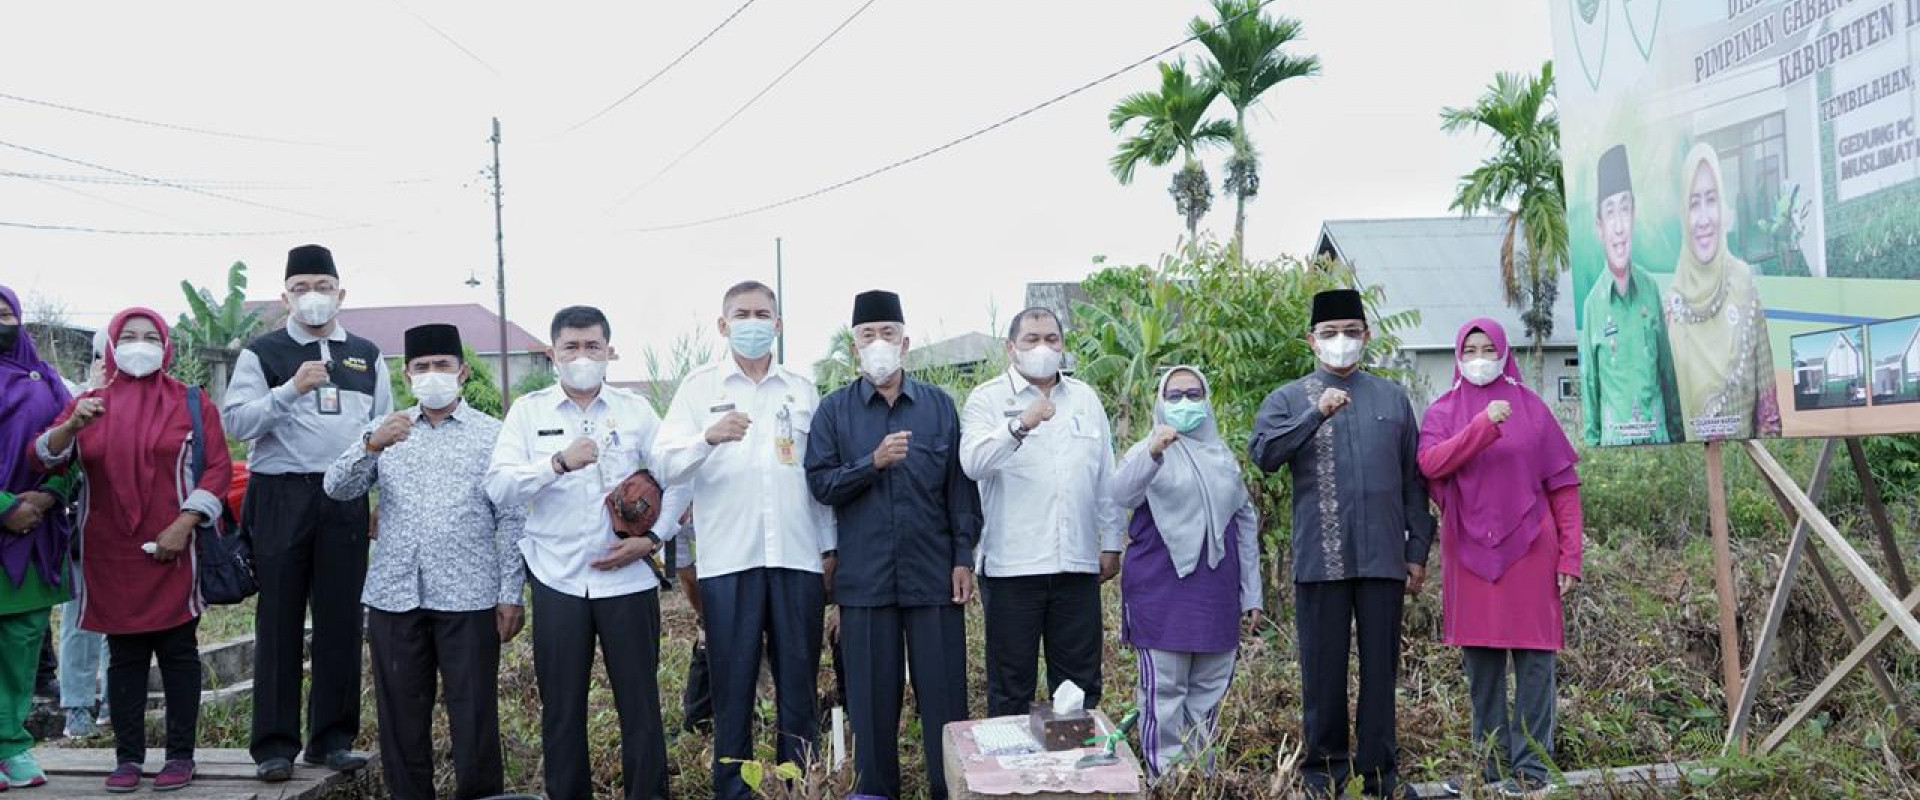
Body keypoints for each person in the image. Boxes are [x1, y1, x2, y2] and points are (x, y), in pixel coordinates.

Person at [486, 306, 689, 800]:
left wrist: (655, 537)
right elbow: (499, 487)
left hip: (628, 580)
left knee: (640, 706)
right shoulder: (529, 411)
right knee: (561, 709)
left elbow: (680, 473)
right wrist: (556, 463)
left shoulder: (636, 411)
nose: (582, 356)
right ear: (552, 354)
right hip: (557, 579)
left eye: (592, 347)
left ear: (609, 351)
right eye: (571, 347)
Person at [322, 324, 526, 800]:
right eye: (422, 368)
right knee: (401, 720)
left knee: (474, 714)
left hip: (469, 595)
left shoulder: (493, 435)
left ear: (462, 372)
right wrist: (371, 443)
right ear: (407, 374)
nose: (433, 375)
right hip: (395, 595)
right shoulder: (389, 431)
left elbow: (512, 518)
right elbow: (336, 488)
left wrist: (510, 593)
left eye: (442, 366)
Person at [34, 308, 231, 794]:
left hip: (175, 547)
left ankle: (181, 756)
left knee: (178, 652)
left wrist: (185, 524)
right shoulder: (91, 403)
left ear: (165, 345)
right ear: (112, 346)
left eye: (149, 336)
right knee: (124, 657)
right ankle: (128, 759)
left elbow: (218, 471)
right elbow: (44, 458)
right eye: (128, 336)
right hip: (109, 552)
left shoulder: (190, 401)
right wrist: (72, 425)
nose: (139, 344)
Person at [653, 281, 837, 800]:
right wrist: (705, 438)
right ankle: (732, 789)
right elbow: (665, 464)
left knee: (799, 680)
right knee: (732, 686)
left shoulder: (801, 389)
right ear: (723, 324)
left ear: (777, 324)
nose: (752, 322)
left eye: (762, 313)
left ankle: (798, 783)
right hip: (728, 561)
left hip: (797, 557)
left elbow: (817, 479)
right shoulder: (699, 388)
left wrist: (829, 547)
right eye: (742, 314)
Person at [1248, 288, 1434, 800]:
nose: (1341, 342)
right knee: (1322, 672)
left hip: (1382, 559)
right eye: (1330, 334)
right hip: (1320, 559)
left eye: (1351, 331)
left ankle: (1378, 776)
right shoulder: (1290, 398)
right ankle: (1322, 774)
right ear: (1312, 341)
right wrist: (1316, 416)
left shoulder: (1393, 399)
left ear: (1367, 336)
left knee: (1381, 671)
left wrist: (1417, 551)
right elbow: (1264, 455)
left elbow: (1414, 481)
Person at [222, 244, 388, 781]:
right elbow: (239, 423)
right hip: (280, 496)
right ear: (285, 295)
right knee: (280, 618)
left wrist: (382, 498)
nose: (312, 297)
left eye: (322, 286)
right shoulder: (262, 353)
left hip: (345, 496)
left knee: (341, 619)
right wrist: (290, 390)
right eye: (301, 288)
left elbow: (385, 433)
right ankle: (274, 744)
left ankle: (332, 738)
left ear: (341, 293)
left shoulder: (366, 354)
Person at [805, 290, 979, 800]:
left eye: (887, 334)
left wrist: (963, 557)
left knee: (945, 699)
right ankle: (874, 793)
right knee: (871, 704)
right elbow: (820, 484)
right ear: (853, 345)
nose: (877, 343)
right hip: (865, 582)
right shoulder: (834, 412)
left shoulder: (939, 407)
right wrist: (871, 463)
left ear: (906, 342)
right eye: (867, 335)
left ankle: (948, 790)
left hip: (933, 579)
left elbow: (959, 490)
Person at [1419, 320, 1584, 799]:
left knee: (1535, 663)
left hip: (1532, 551)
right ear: (1457, 353)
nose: (1479, 356)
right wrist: (1483, 426)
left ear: (1504, 351)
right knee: (1483, 666)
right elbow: (1431, 464)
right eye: (1470, 348)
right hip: (1468, 553)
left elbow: (1564, 487)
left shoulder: (1532, 409)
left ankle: (1533, 770)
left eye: (1488, 347)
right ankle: (1491, 770)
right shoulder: (1444, 411)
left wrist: (1570, 557)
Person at [959, 307, 1120, 718]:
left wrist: (1112, 541)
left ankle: (1076, 777)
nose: (1043, 347)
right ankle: (1013, 779)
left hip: (1077, 564)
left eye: (1051, 338)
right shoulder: (988, 398)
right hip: (1014, 569)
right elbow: (973, 463)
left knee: (1078, 687)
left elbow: (1105, 476)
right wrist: (1021, 424)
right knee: (1012, 688)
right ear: (1011, 348)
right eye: (1032, 339)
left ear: (1063, 346)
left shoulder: (1084, 398)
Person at [1110, 366, 1261, 780]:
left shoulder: (1222, 457)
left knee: (1207, 696)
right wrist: (1154, 452)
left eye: (1194, 394)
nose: (1185, 403)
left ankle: (1200, 778)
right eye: (1174, 396)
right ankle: (1167, 781)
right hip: (1161, 595)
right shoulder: (1146, 451)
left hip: (1216, 596)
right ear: (1160, 402)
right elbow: (1120, 493)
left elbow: (1245, 526)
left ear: (1207, 399)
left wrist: (1252, 596)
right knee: (1164, 696)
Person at [1, 286, 82, 791]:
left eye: (6, 313)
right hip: (12, 517)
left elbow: (76, 442)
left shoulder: (48, 378)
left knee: (23, 640)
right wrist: (5, 508)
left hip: (33, 534)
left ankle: (10, 742)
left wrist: (48, 496)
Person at [1665, 143, 1783, 441]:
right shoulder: (1670, 311)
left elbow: (1769, 417)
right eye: (1694, 204)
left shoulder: (1744, 287)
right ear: (1683, 214)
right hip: (1688, 478)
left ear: (1722, 206)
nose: (1704, 218)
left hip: (1749, 474)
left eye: (1711, 200)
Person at [1580, 144, 1684, 446]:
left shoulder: (1651, 289)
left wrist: (1678, 439)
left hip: (1661, 445)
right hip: (1617, 454)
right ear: (1600, 228)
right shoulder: (1592, 306)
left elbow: (1667, 370)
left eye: (1624, 209)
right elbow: (1590, 387)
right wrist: (1595, 448)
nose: (1619, 227)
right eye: (1610, 212)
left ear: (1634, 215)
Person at [56, 330, 109, 740]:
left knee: (124, 620)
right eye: (99, 356)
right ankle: (77, 706)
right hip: (82, 528)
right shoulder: (75, 403)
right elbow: (54, 458)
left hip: (131, 532)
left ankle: (114, 699)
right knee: (78, 619)